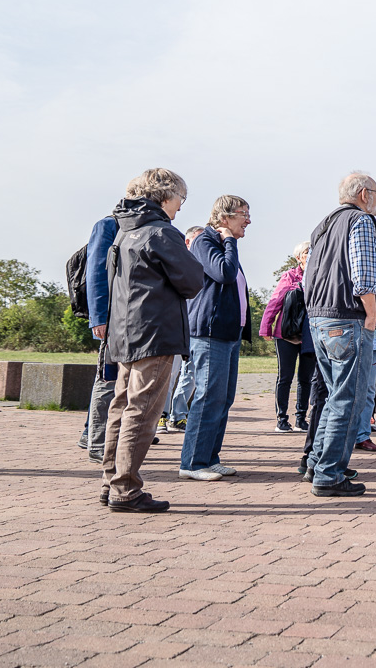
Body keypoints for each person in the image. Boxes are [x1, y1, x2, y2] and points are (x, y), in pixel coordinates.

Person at [101, 169, 205, 512]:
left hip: (125, 332)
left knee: (120, 408)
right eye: (180, 199)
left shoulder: (123, 232)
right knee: (142, 411)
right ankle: (126, 489)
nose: (180, 207)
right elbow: (192, 281)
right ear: (165, 196)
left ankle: (110, 481)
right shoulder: (162, 232)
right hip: (156, 332)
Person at [302, 171, 376, 497]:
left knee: (331, 396)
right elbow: (363, 273)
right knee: (347, 400)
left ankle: (316, 462)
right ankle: (329, 473)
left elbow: (308, 276)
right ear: (365, 193)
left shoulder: (322, 225)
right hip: (348, 319)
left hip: (320, 319)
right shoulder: (360, 221)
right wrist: (371, 314)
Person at [178, 195, 252, 481]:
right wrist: (229, 241)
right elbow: (223, 274)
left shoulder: (222, 243)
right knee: (209, 396)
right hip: (210, 332)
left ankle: (210, 457)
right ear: (224, 217)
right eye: (243, 214)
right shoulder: (205, 241)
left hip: (228, 333)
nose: (248, 220)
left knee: (223, 397)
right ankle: (193, 462)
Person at [260, 242, 313, 433]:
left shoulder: (319, 276)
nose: (311, 254)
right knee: (285, 377)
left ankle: (301, 418)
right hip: (286, 335)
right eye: (307, 252)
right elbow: (275, 302)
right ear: (299, 257)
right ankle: (281, 419)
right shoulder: (289, 276)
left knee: (306, 378)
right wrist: (266, 327)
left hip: (309, 336)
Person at [80, 205, 119, 460]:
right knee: (106, 377)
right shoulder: (108, 225)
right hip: (111, 317)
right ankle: (93, 438)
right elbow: (95, 272)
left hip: (130, 317)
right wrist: (99, 317)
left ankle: (95, 433)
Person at [161, 226, 206, 432]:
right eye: (197, 240)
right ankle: (161, 415)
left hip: (194, 330)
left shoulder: (205, 264)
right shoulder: (177, 263)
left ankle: (178, 415)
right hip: (173, 327)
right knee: (169, 374)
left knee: (191, 374)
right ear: (187, 243)